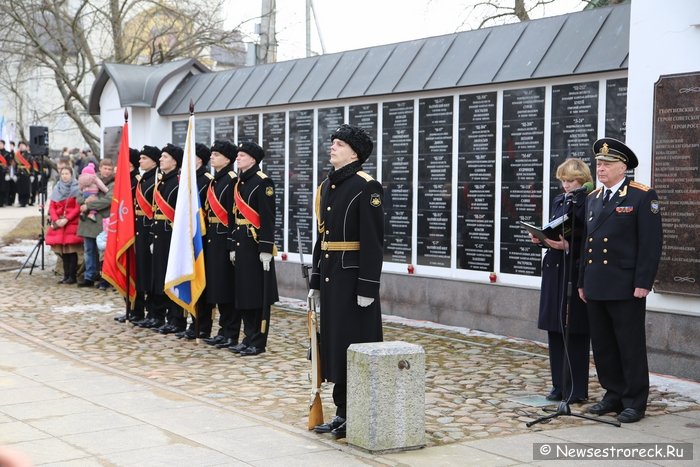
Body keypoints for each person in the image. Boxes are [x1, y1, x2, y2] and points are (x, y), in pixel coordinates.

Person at [578, 138, 663, 424]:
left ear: (622, 167)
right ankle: (612, 393)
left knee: (630, 345)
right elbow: (586, 245)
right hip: (596, 283)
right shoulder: (593, 198)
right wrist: (582, 281)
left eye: (606, 164)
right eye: (598, 164)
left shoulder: (641, 196)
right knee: (602, 345)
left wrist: (644, 282)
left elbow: (650, 244)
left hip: (626, 286)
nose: (600, 169)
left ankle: (634, 401)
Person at [308, 124, 384, 439]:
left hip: (353, 280)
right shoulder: (328, 185)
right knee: (336, 346)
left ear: (354, 152)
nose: (333, 147)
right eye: (333, 143)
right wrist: (314, 280)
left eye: (339, 144)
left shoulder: (367, 186)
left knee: (355, 344)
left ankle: (354, 412)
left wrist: (367, 285)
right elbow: (322, 236)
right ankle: (341, 412)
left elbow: (373, 240)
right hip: (331, 277)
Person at [530, 158, 592, 404]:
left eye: (571, 181)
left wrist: (569, 246)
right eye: (563, 181)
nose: (566, 186)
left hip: (573, 270)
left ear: (583, 180)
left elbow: (588, 237)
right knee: (555, 330)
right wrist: (541, 239)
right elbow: (553, 229)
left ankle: (576, 388)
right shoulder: (560, 200)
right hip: (554, 269)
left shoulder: (588, 201)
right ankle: (558, 385)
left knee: (574, 332)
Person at [229, 141, 279, 356]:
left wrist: (266, 248)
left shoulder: (263, 182)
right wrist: (232, 245)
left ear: (253, 159)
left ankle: (258, 341)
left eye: (242, 155)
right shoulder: (240, 182)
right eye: (238, 155)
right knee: (244, 293)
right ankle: (247, 336)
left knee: (257, 295)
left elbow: (267, 218)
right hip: (241, 243)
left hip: (255, 245)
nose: (238, 158)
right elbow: (234, 217)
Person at [198, 141, 242, 346]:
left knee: (226, 286)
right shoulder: (217, 180)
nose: (212, 157)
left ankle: (231, 331)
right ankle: (223, 330)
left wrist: (232, 242)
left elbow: (233, 214)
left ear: (227, 158)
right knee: (217, 284)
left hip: (224, 236)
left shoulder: (231, 180)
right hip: (213, 237)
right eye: (212, 154)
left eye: (216, 154)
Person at [177, 142, 217, 340]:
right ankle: (193, 322)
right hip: (189, 238)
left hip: (203, 239)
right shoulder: (188, 180)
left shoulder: (207, 180)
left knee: (203, 282)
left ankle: (204, 325)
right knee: (190, 278)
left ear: (199, 160)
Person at [150, 143, 185, 334]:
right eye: (161, 156)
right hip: (160, 234)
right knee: (160, 275)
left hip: (171, 235)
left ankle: (176, 318)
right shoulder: (163, 181)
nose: (161, 159)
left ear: (174, 161)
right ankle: (162, 315)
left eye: (165, 156)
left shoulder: (178, 182)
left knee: (172, 276)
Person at [131, 146, 161, 328]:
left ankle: (153, 312)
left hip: (149, 229)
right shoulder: (143, 179)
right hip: (138, 229)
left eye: (143, 158)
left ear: (153, 161)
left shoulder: (156, 181)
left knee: (150, 272)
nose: (140, 161)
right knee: (141, 270)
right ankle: (139, 309)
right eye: (140, 158)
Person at [76, 158, 114, 287]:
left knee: (104, 252)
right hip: (88, 221)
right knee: (89, 250)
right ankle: (89, 276)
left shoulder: (113, 183)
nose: (107, 171)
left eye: (109, 169)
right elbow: (80, 195)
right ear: (100, 168)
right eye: (105, 168)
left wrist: (89, 206)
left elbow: (108, 200)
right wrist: (84, 202)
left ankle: (105, 277)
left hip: (103, 221)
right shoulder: (89, 178)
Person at [46, 166, 83, 284]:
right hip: (59, 224)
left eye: (67, 173)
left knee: (71, 251)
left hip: (71, 223)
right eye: (63, 174)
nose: (65, 176)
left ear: (71, 175)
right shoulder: (57, 188)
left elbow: (77, 207)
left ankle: (72, 276)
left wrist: (67, 219)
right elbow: (52, 206)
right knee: (63, 252)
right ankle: (66, 275)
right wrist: (56, 219)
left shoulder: (77, 189)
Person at [14, 142, 32, 207]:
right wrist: (14, 174)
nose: (21, 147)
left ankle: (26, 201)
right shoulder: (17, 155)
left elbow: (31, 165)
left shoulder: (29, 155)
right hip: (19, 173)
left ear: (25, 146)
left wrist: (32, 174)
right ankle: (20, 201)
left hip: (26, 173)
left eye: (23, 145)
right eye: (20, 145)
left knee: (26, 188)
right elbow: (15, 165)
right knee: (20, 188)